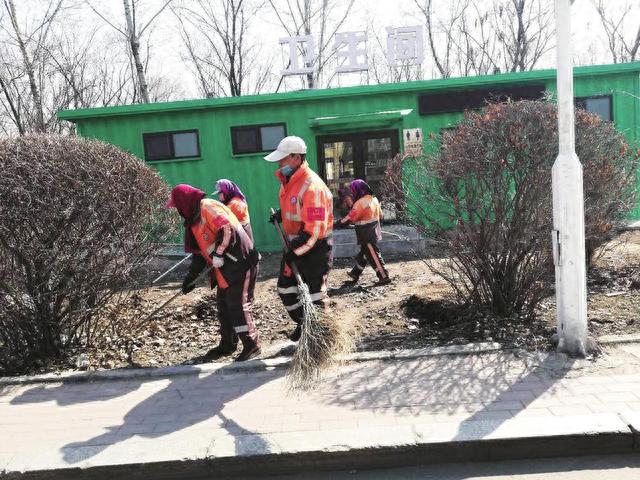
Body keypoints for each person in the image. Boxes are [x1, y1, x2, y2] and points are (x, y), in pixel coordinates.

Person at [165, 184, 261, 361]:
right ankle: (227, 344)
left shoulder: (207, 207)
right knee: (224, 307)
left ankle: (252, 345)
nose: (177, 210)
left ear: (184, 202)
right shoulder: (193, 222)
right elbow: (199, 256)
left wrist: (219, 253)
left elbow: (226, 229)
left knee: (238, 305)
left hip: (240, 262)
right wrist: (190, 279)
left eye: (177, 206)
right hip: (224, 268)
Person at [264, 136, 333, 341]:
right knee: (286, 289)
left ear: (296, 157)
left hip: (315, 249)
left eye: (283, 158)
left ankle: (322, 336)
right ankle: (305, 323)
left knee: (315, 295)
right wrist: (281, 214)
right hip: (295, 247)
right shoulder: (288, 183)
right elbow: (296, 209)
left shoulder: (312, 187)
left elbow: (313, 232)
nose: (279, 163)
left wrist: (295, 250)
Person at [337, 179, 391, 285]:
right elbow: (381, 216)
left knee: (373, 254)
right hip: (373, 230)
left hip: (365, 232)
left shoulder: (360, 203)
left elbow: (349, 218)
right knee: (364, 254)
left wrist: (334, 224)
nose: (352, 192)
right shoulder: (374, 199)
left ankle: (383, 276)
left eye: (353, 190)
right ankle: (355, 273)